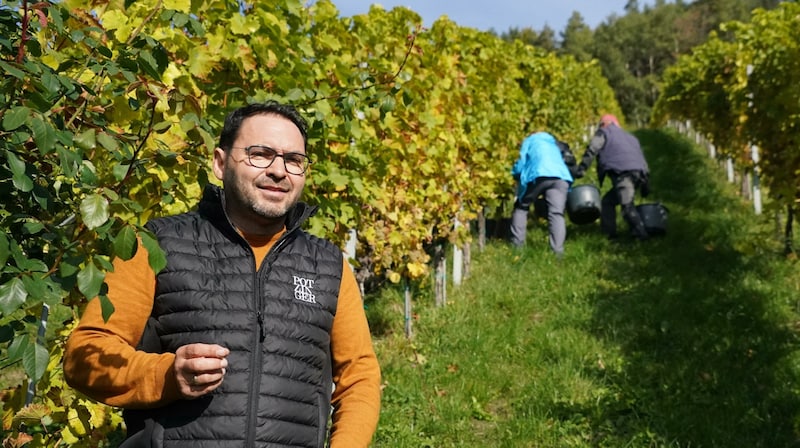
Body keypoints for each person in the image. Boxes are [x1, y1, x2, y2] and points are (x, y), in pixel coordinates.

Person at [63, 101, 382, 448]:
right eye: (260, 154)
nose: (279, 171)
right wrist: (166, 376)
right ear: (219, 162)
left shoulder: (327, 266)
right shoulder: (156, 246)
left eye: (294, 160)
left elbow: (359, 378)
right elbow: (85, 355)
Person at [574, 114, 650, 241]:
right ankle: (609, 234)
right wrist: (646, 183)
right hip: (639, 173)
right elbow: (641, 159)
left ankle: (641, 235)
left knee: (627, 205)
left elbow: (592, 148)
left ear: (604, 124)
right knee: (607, 202)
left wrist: (582, 169)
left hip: (622, 172)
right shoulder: (630, 137)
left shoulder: (604, 132)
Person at [509, 131, 575, 257]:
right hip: (561, 177)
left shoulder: (529, 141)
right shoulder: (554, 143)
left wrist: (514, 174)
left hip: (539, 174)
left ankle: (517, 248)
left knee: (522, 207)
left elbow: (521, 162)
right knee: (556, 213)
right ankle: (558, 252)